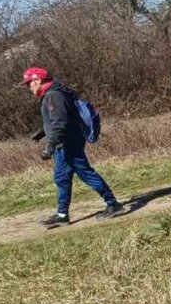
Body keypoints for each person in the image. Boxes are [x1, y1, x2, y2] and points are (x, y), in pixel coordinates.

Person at [20, 67, 125, 228]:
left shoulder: (53, 96)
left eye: (29, 84)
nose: (29, 88)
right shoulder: (54, 94)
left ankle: (113, 204)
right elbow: (60, 119)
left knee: (86, 173)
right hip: (64, 143)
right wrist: (42, 133)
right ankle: (62, 215)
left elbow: (60, 123)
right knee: (62, 178)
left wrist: (49, 146)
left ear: (38, 80)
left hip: (68, 143)